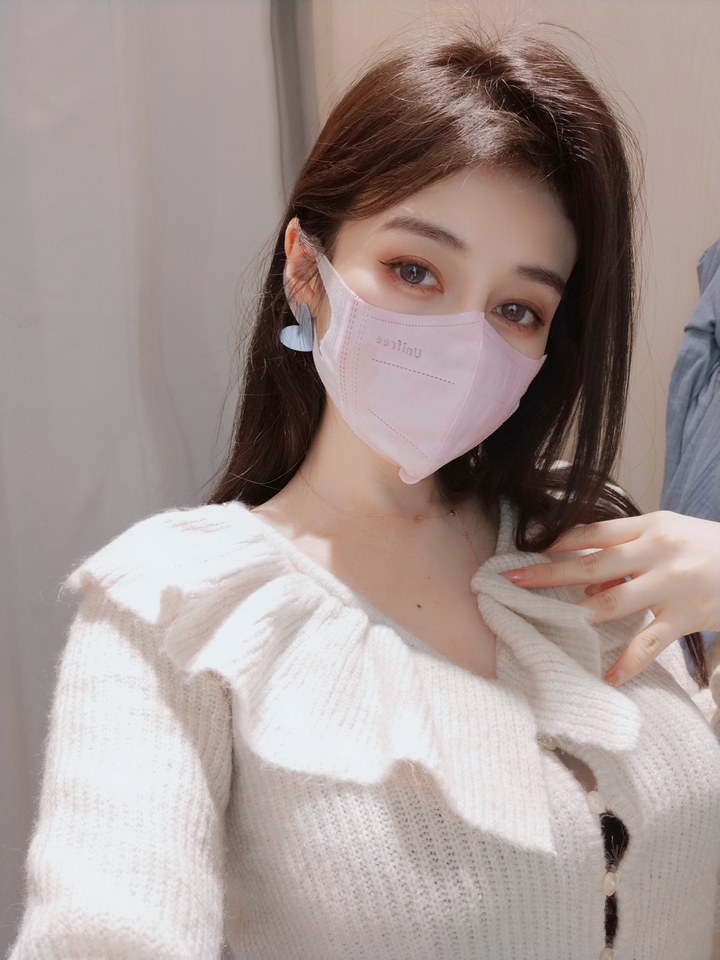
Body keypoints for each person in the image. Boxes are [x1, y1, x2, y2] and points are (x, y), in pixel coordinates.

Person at [10, 27, 720, 960]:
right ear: (306, 270)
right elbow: (105, 929)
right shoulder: (173, 609)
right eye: (414, 270)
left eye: (517, 309)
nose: (461, 340)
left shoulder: (602, 543)